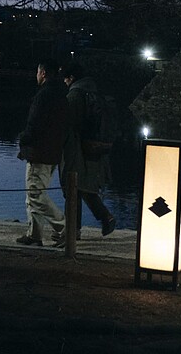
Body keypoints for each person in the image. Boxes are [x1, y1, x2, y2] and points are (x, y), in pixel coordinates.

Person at [58, 60, 116, 243]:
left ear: (72, 78)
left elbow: (68, 124)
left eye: (66, 79)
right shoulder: (93, 92)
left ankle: (72, 233)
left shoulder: (75, 95)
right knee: (83, 187)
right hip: (93, 147)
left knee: (72, 188)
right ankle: (105, 217)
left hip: (76, 148)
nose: (64, 83)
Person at [15, 59, 69, 246]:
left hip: (40, 152)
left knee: (35, 194)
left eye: (38, 72)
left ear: (43, 73)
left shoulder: (44, 95)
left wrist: (24, 138)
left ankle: (64, 228)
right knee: (34, 193)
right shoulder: (61, 94)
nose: (36, 75)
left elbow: (35, 124)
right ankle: (34, 234)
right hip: (53, 151)